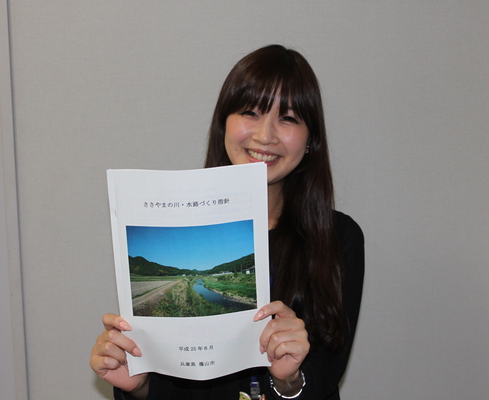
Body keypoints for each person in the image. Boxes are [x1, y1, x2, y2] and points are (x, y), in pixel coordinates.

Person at [90, 44, 364, 400]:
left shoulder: (338, 238)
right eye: (250, 112)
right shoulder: (176, 221)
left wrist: (289, 380)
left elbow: (326, 374)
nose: (265, 135)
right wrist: (139, 386)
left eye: (288, 118)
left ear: (311, 139)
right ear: (224, 123)